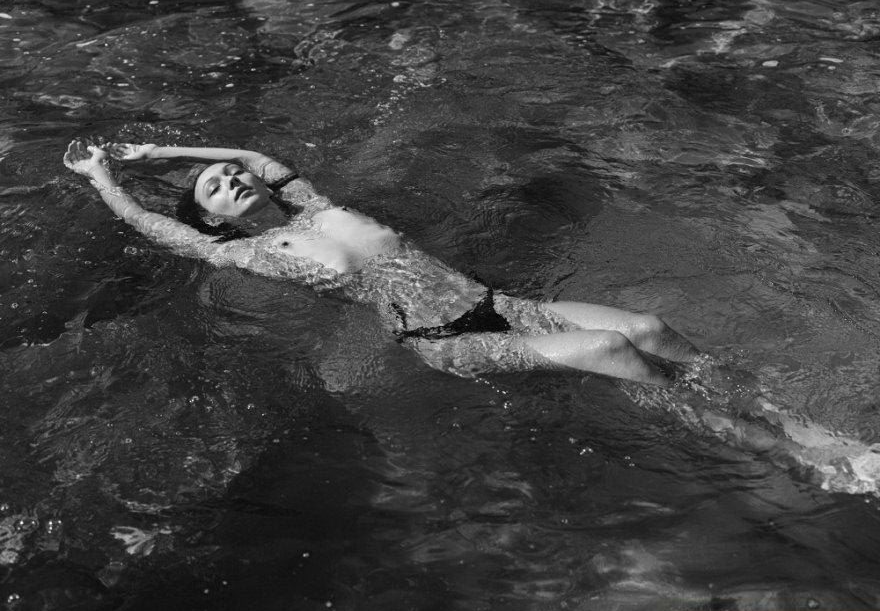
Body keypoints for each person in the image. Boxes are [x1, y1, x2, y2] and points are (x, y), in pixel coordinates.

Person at [62, 138, 699, 385]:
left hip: (499, 304)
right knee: (608, 347)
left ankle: (735, 390)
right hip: (444, 339)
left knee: (647, 328)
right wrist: (102, 177)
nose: (230, 179)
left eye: (230, 175)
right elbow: (145, 221)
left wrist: (158, 154)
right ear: (213, 220)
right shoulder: (248, 252)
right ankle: (732, 429)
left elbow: (253, 156)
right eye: (214, 189)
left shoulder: (313, 205)